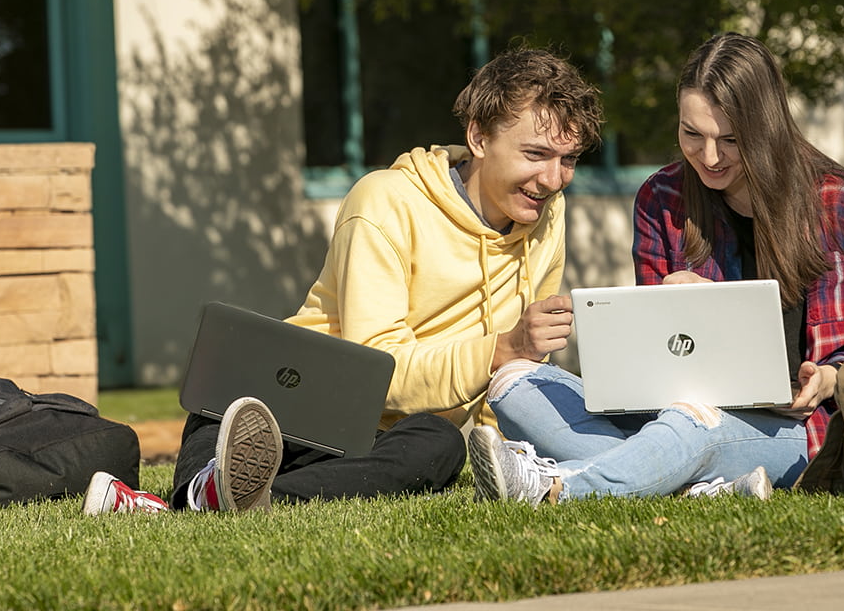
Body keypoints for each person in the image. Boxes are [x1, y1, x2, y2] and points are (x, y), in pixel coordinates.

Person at [83, 47, 605, 514]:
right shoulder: (384, 201)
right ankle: (212, 485)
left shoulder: (545, 216)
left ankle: (212, 500)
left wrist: (505, 453)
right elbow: (376, 373)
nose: (554, 179)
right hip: (283, 403)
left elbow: (513, 373)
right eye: (536, 154)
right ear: (478, 137)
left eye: (569, 160)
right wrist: (503, 348)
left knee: (439, 443)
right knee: (242, 404)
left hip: (389, 437)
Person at [468, 31, 844, 505]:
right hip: (672, 414)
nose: (710, 156)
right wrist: (680, 310)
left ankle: (554, 487)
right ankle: (700, 486)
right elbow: (661, 362)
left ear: (767, 129)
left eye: (732, 140)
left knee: (691, 422)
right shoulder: (662, 200)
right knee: (515, 384)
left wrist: (829, 378)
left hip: (803, 429)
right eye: (692, 135)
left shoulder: (836, 201)